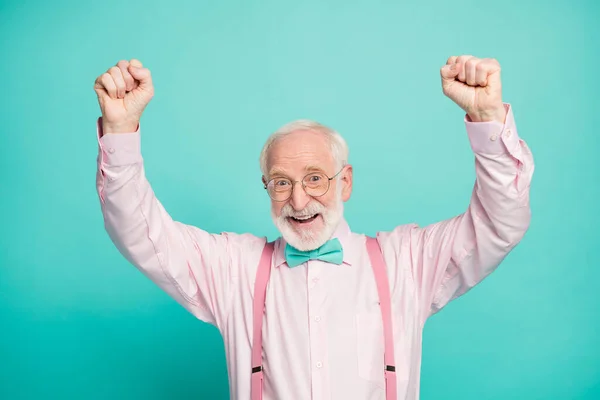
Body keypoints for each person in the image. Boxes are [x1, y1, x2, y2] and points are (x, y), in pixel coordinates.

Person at [93, 56, 533, 400]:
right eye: (281, 183)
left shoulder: (407, 263)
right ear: (266, 187)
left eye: (315, 179)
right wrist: (119, 129)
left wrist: (487, 121)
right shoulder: (235, 270)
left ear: (345, 181)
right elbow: (140, 231)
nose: (299, 201)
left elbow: (500, 223)